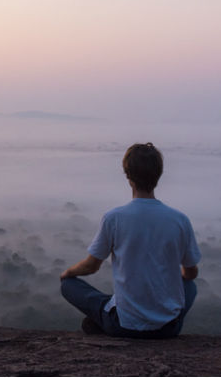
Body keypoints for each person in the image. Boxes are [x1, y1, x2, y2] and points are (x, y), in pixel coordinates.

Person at [59, 142, 201, 338]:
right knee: (190, 287)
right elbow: (191, 273)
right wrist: (168, 285)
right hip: (168, 329)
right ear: (158, 176)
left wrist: (68, 272)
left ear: (128, 177)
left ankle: (108, 316)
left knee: (68, 285)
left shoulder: (114, 218)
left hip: (123, 325)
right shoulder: (179, 220)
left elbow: (91, 267)